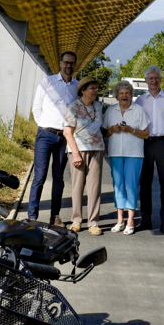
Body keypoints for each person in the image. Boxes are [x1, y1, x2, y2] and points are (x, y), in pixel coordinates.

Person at [28, 51, 78, 225]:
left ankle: (54, 216)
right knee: (39, 176)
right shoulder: (47, 82)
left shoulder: (76, 87)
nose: (68, 66)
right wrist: (44, 125)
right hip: (45, 135)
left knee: (59, 178)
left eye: (72, 63)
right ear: (60, 63)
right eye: (66, 62)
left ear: (75, 65)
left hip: (64, 138)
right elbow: (36, 108)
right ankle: (32, 216)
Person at [135, 64, 164, 234]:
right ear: (146, 80)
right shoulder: (139, 101)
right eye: (150, 78)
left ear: (160, 79)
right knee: (144, 185)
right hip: (145, 144)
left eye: (156, 78)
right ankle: (145, 220)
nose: (154, 80)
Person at [103, 80, 150, 235]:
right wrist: (111, 129)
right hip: (115, 152)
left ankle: (130, 221)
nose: (124, 95)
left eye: (127, 93)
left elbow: (146, 134)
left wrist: (131, 130)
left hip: (134, 153)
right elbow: (105, 133)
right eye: (121, 93)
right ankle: (119, 220)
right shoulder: (110, 111)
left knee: (130, 186)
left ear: (131, 95)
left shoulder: (139, 110)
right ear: (117, 95)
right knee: (118, 186)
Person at [64, 77, 106, 235]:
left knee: (94, 188)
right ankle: (76, 220)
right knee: (77, 187)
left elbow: (98, 128)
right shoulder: (73, 107)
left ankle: (93, 223)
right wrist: (76, 154)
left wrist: (103, 144)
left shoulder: (98, 106)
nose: (95, 91)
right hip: (78, 150)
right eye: (92, 88)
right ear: (83, 90)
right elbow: (67, 132)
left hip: (96, 149)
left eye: (96, 88)